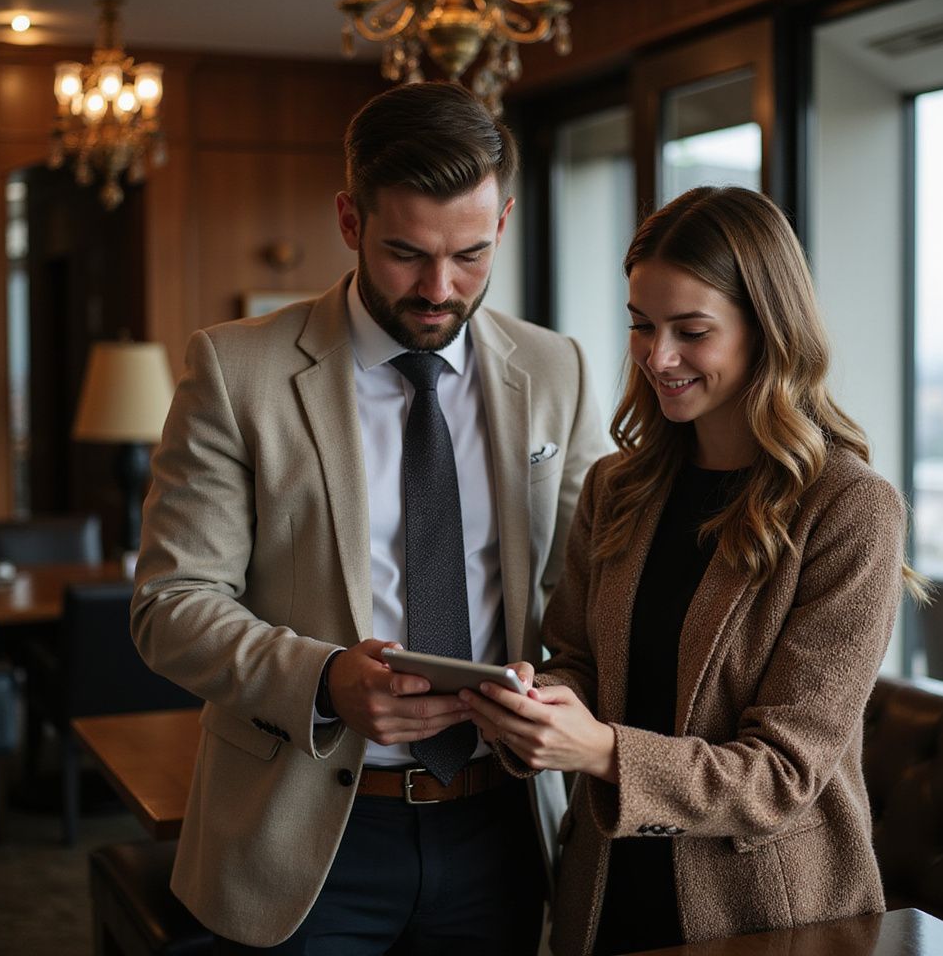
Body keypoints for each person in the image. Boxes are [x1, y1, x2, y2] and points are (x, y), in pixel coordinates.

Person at [130, 82, 606, 954]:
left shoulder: (556, 368)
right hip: (302, 838)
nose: (439, 288)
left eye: (469, 254)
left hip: (498, 828)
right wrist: (325, 682)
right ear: (349, 221)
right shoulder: (236, 370)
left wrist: (562, 692)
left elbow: (576, 590)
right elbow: (171, 606)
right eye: (405, 254)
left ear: (502, 221)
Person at [462, 186, 925, 955]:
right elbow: (580, 660)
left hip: (769, 915)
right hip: (603, 894)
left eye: (692, 330)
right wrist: (539, 702)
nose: (657, 356)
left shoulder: (850, 509)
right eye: (642, 325)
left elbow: (782, 776)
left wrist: (598, 750)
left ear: (767, 330)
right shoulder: (619, 486)